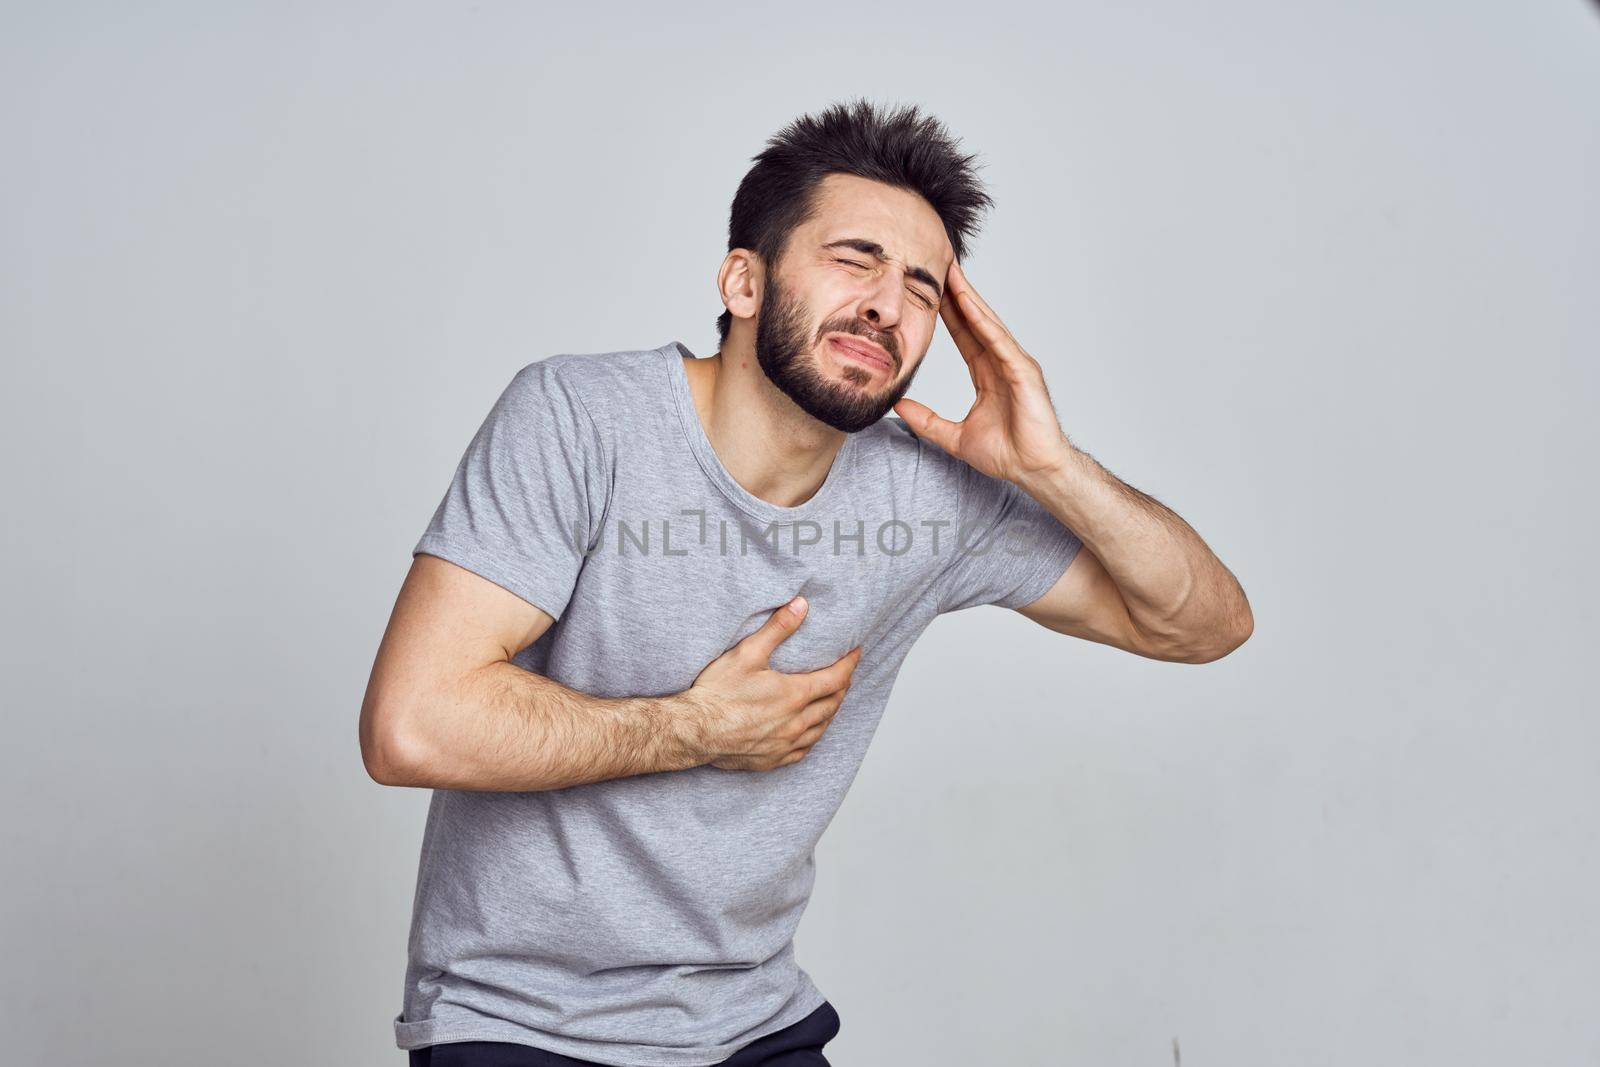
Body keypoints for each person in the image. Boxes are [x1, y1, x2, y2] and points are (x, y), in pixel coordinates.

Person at [359, 98, 1253, 1067]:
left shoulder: (933, 494)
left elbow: (1201, 625)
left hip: (752, 1019)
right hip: (518, 1020)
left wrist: (1052, 467)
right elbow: (415, 723)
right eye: (853, 258)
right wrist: (696, 726)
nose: (887, 303)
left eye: (923, 286)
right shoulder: (581, 416)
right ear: (743, 281)